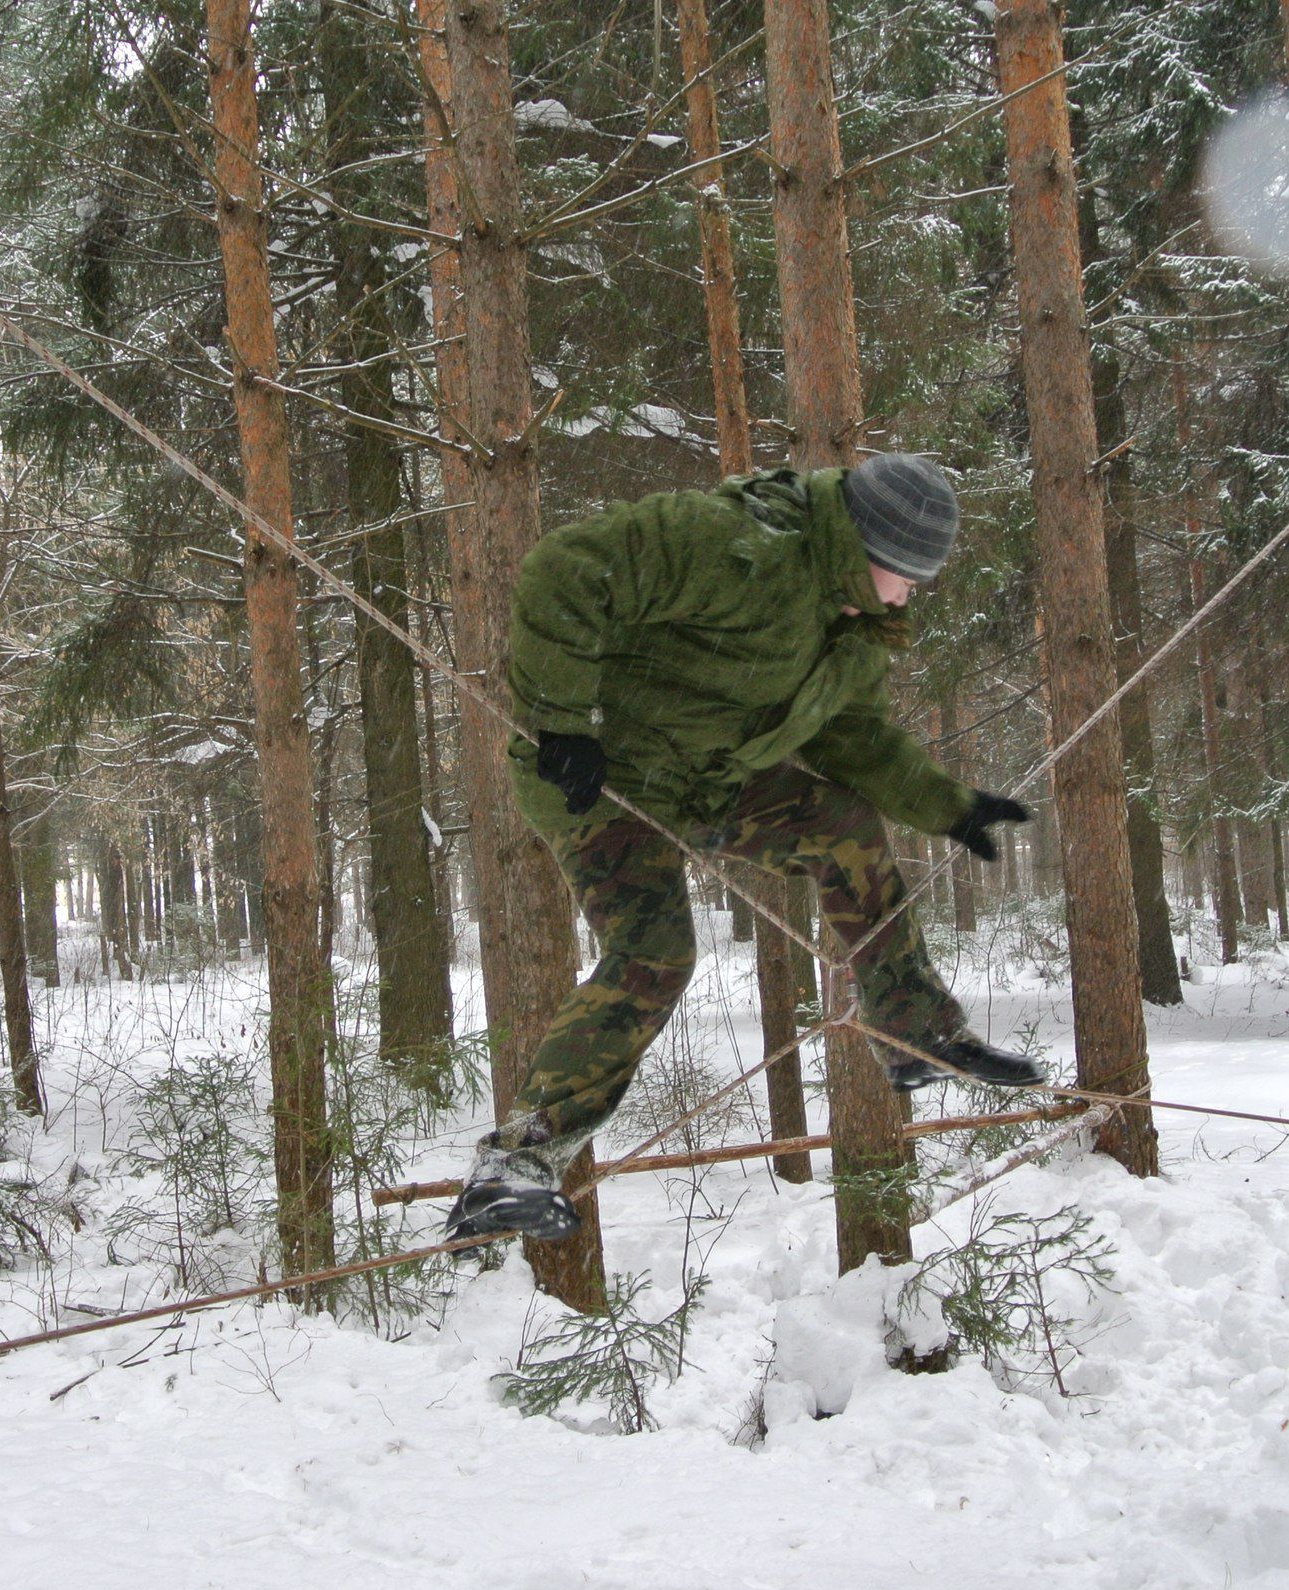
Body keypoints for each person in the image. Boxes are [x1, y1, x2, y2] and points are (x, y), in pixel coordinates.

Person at [446, 453, 1045, 1242]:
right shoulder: (735, 544)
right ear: (861, 547)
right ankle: (512, 1168)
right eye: (901, 573)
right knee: (655, 951)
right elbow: (569, 565)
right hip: (600, 779)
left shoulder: (850, 627)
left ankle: (914, 1031)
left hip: (707, 781)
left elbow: (851, 736)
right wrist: (561, 720)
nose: (906, 593)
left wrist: (947, 807)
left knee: (842, 823)